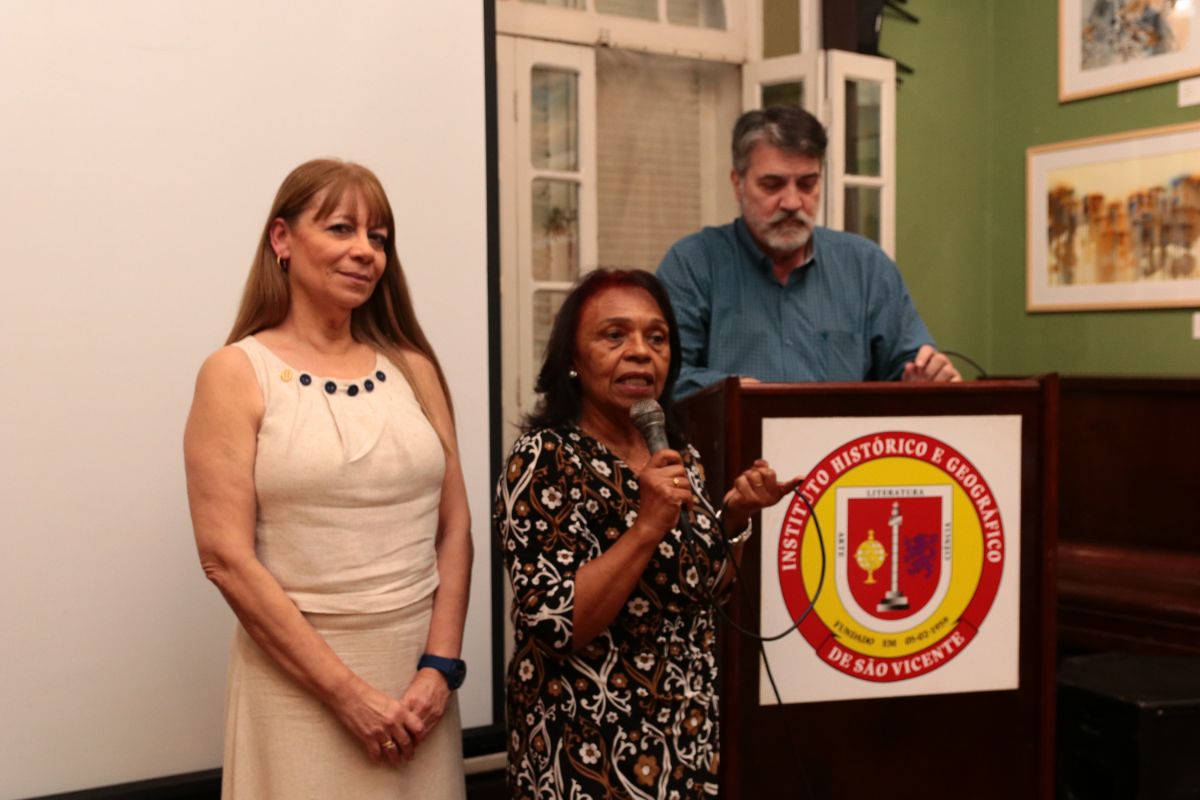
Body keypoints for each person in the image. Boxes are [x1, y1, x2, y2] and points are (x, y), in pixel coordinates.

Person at [183, 159, 471, 799]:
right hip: (300, 693)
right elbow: (225, 559)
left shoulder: (415, 369)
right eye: (341, 228)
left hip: (420, 695)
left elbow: (455, 530)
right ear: (282, 239)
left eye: (378, 237)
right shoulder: (235, 373)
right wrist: (348, 696)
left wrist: (439, 668)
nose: (365, 251)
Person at [494, 269, 798, 799]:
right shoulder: (544, 459)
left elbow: (704, 592)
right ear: (572, 358)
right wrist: (646, 527)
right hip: (588, 751)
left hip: (683, 740)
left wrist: (736, 519)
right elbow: (557, 625)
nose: (640, 352)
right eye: (614, 335)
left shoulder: (677, 455)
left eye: (656, 338)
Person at [657, 105, 961, 397]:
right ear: (738, 183)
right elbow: (665, 377)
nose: (792, 202)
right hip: (733, 433)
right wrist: (731, 392)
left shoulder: (866, 268)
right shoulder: (692, 265)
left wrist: (927, 379)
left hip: (844, 435)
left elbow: (909, 369)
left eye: (807, 184)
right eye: (772, 184)